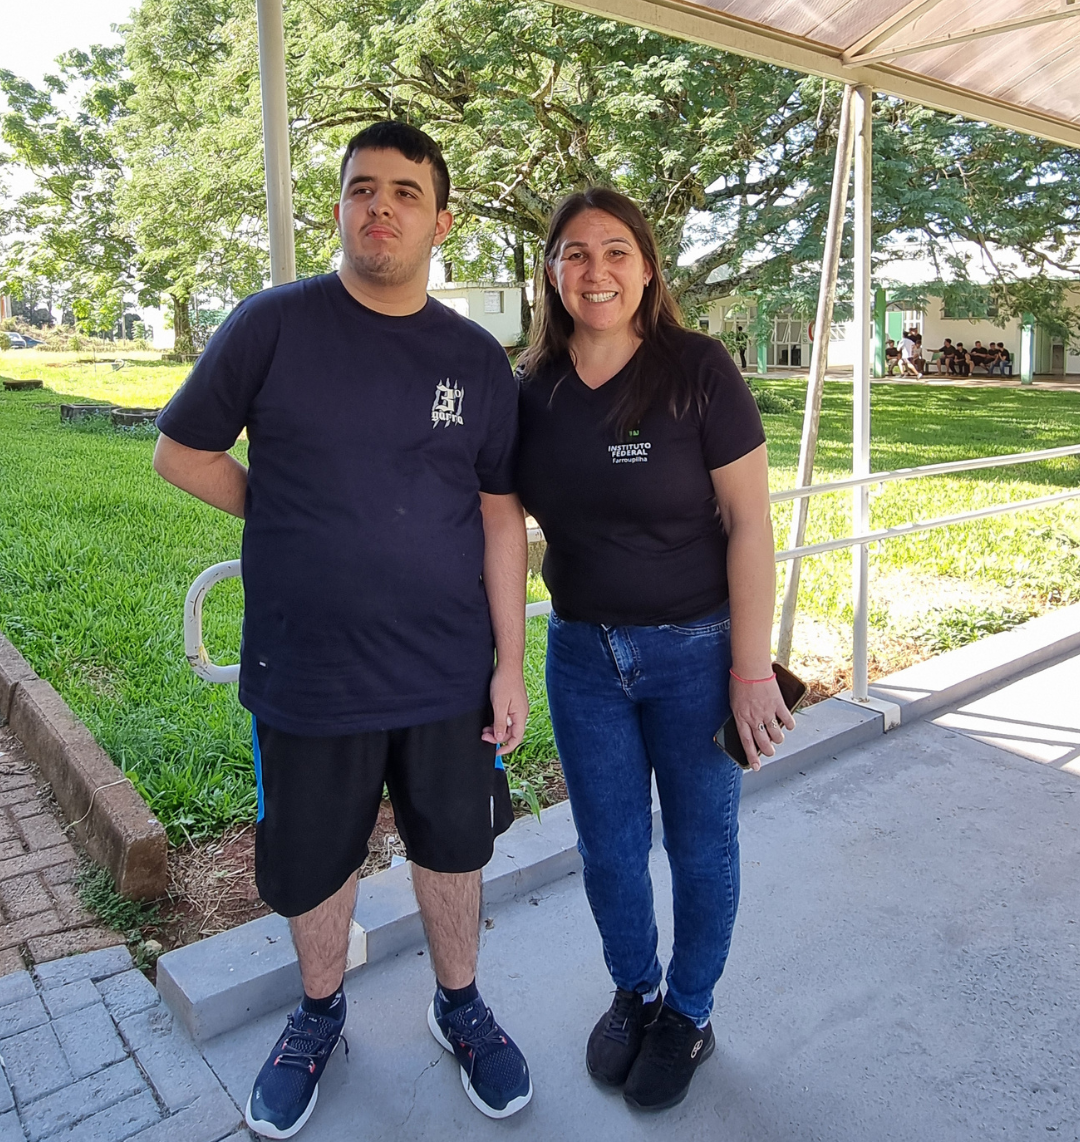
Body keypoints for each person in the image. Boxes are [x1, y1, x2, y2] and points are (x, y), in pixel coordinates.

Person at [153, 121, 533, 1135]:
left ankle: (460, 1006)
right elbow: (181, 452)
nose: (381, 208)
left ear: (440, 222)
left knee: (453, 849)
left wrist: (511, 662)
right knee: (315, 861)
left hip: (449, 673)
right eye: (363, 188)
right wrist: (282, 509)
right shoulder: (271, 326)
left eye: (406, 192)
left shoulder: (472, 359)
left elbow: (501, 514)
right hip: (309, 670)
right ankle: (319, 1017)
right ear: (339, 208)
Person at [516, 188, 785, 1112]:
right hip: (581, 656)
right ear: (551, 272)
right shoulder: (530, 390)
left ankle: (690, 1012)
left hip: (698, 655)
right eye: (575, 253)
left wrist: (752, 669)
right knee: (609, 850)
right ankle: (634, 991)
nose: (596, 271)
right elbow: (492, 518)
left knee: (702, 847)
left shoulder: (698, 369)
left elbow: (750, 525)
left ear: (647, 267)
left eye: (616, 252)